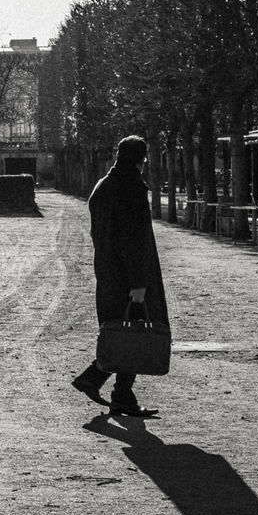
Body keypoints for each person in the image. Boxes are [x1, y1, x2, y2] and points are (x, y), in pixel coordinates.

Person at [71, 135, 169, 417]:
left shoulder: (103, 185)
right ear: (141, 159)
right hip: (129, 275)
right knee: (134, 331)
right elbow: (133, 239)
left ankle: (111, 388)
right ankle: (109, 386)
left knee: (120, 330)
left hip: (108, 271)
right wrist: (138, 282)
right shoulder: (131, 187)